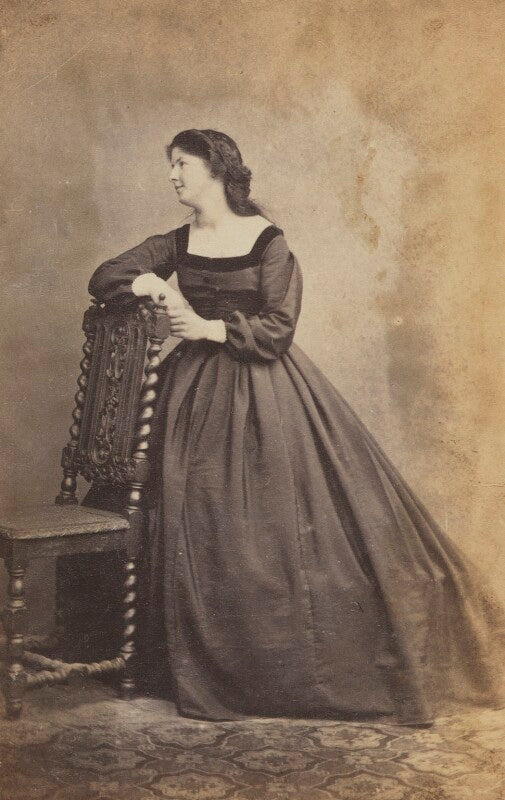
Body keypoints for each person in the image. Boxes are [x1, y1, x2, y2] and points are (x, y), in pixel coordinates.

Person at [88, 128, 505, 726]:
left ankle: (263, 661)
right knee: (180, 502)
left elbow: (279, 327)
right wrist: (146, 281)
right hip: (187, 395)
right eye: (171, 165)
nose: (173, 175)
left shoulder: (268, 241)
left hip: (260, 388)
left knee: (267, 524)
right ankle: (169, 654)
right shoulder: (177, 241)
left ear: (216, 169)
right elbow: (105, 275)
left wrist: (206, 327)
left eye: (183, 164)